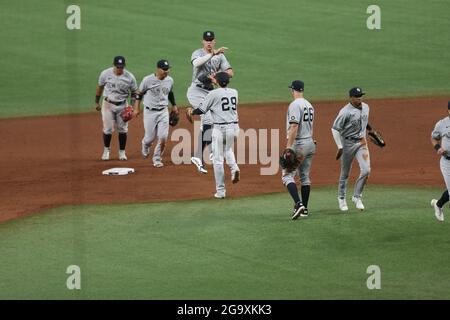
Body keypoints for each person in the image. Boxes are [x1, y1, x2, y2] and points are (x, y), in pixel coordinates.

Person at [187, 30, 234, 174]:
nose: (209, 42)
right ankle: (205, 153)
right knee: (207, 118)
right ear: (203, 41)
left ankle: (203, 154)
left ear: (214, 41)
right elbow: (196, 64)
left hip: (210, 92)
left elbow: (231, 72)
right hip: (196, 91)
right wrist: (212, 54)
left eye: (211, 40)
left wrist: (219, 76)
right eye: (206, 40)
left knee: (213, 121)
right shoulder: (198, 53)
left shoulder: (220, 56)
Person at [189, 72, 240, 198]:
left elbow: (201, 110)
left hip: (220, 129)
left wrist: (191, 111)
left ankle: (221, 191)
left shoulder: (213, 94)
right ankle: (234, 168)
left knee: (217, 160)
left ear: (216, 81)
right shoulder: (235, 92)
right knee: (227, 149)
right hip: (234, 127)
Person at [331, 87, 374, 211]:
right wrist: (339, 146)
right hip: (347, 143)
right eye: (357, 96)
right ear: (351, 97)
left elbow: (363, 121)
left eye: (361, 96)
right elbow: (334, 128)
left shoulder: (366, 107)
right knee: (345, 173)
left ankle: (357, 196)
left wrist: (370, 130)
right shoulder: (345, 112)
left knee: (366, 170)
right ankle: (341, 198)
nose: (360, 98)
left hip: (362, 142)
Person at [133, 59, 178, 168]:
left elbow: (170, 93)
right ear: (158, 69)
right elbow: (139, 94)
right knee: (149, 138)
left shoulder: (170, 80)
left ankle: (157, 158)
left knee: (163, 137)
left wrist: (174, 105)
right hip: (150, 112)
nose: (166, 71)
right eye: (164, 69)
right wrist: (136, 108)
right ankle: (145, 144)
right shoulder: (147, 80)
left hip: (163, 111)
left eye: (168, 69)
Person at [282, 80, 316, 220]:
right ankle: (305, 209)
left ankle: (298, 204)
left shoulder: (295, 105)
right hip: (310, 143)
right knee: (304, 177)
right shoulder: (309, 105)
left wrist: (289, 147)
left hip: (299, 144)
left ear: (293, 90)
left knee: (287, 176)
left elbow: (294, 126)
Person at [94, 56, 138, 161]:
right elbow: (100, 87)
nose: (120, 69)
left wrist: (131, 106)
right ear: (113, 65)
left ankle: (122, 152)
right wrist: (96, 101)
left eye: (121, 67)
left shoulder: (130, 77)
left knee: (123, 130)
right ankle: (106, 150)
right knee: (108, 129)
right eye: (118, 67)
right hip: (108, 104)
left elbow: (134, 92)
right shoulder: (105, 74)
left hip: (123, 105)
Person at [429, 101, 450, 222]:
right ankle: (438, 205)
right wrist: (438, 148)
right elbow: (433, 138)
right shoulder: (442, 124)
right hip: (447, 163)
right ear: (448, 111)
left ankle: (438, 204)